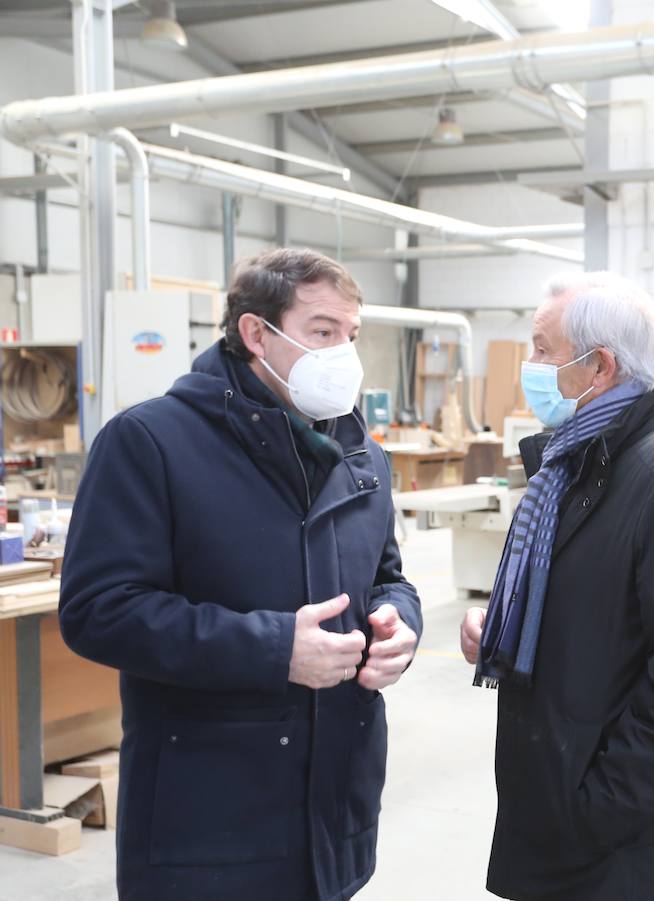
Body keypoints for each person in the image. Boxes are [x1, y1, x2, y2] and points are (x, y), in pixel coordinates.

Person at [59, 248, 421, 901]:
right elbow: (98, 610)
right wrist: (274, 648)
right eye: (321, 332)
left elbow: (389, 576)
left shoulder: (360, 453)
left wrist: (403, 625)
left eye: (350, 334)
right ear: (257, 333)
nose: (343, 352)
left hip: (334, 811)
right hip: (209, 822)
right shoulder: (150, 442)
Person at [459, 273, 654, 901]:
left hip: (621, 846)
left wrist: (600, 808)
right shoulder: (578, 463)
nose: (531, 365)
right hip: (562, 805)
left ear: (599, 367)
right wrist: (506, 626)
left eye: (542, 348)